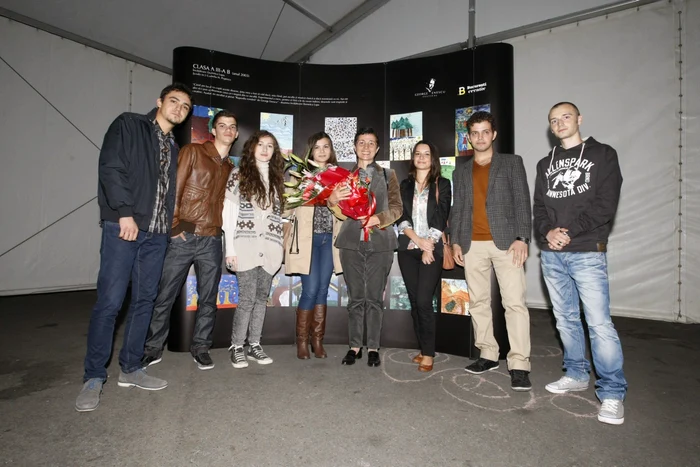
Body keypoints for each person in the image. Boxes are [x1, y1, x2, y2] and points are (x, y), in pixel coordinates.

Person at [75, 83, 193, 412]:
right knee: (110, 303)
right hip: (124, 227)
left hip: (156, 235)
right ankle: (94, 376)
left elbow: (167, 193)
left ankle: (131, 368)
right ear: (159, 102)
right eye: (174, 102)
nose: (179, 109)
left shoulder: (173, 144)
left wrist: (173, 229)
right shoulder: (129, 124)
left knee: (145, 302)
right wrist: (124, 212)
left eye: (185, 107)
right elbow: (111, 168)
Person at [535, 102, 627, 425]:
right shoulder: (545, 164)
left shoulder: (603, 155)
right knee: (565, 320)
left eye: (565, 117)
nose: (559, 123)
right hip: (552, 255)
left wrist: (568, 232)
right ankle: (576, 373)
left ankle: (613, 392)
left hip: (587, 250)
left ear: (579, 120)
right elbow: (539, 210)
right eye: (553, 120)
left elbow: (605, 205)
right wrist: (547, 232)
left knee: (599, 324)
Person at [142, 110, 238, 370]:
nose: (228, 130)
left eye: (232, 126)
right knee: (165, 295)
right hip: (184, 236)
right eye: (222, 125)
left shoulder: (231, 167)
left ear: (236, 133)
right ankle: (152, 348)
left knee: (208, 299)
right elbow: (173, 188)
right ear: (213, 130)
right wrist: (174, 227)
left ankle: (201, 347)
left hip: (212, 240)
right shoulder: (193, 152)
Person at [450, 111, 533, 392]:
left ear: (493, 134)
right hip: (472, 244)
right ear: (469, 137)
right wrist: (456, 242)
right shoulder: (460, 169)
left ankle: (519, 364)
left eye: (485, 132)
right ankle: (487, 353)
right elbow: (458, 208)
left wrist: (522, 238)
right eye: (474, 133)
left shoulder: (511, 163)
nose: (480, 137)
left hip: (507, 243)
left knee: (514, 304)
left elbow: (523, 202)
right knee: (478, 303)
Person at [331, 127, 402, 367]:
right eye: (361, 142)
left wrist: (378, 219)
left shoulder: (388, 175)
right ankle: (354, 346)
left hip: (380, 242)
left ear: (378, 148)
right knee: (355, 298)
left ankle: (372, 346)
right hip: (351, 242)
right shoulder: (343, 175)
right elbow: (339, 210)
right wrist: (332, 200)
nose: (366, 146)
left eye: (371, 142)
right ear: (354, 146)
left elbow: (397, 208)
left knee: (373, 298)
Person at [222, 130, 285, 369]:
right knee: (247, 299)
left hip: (269, 247)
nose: (265, 149)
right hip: (245, 245)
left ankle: (254, 344)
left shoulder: (278, 180)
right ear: (252, 147)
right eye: (261, 144)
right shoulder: (239, 175)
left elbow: (278, 217)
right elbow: (228, 213)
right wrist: (231, 249)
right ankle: (237, 346)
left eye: (270, 146)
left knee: (261, 298)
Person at [284, 132, 346, 359]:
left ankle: (317, 341)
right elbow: (286, 207)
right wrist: (303, 190)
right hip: (306, 240)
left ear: (331, 150)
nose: (322, 151)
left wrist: (337, 200)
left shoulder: (339, 176)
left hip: (329, 240)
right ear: (310, 151)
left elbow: (346, 212)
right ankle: (301, 342)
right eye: (317, 147)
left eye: (326, 146)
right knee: (310, 290)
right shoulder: (299, 174)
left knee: (322, 289)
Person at [396, 141, 451, 372]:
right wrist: (418, 242)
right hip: (408, 250)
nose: (421, 157)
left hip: (432, 250)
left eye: (426, 154)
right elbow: (401, 216)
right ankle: (423, 348)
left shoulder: (443, 184)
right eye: (417, 154)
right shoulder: (405, 185)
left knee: (423, 301)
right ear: (413, 158)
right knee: (414, 303)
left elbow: (441, 215)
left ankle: (429, 353)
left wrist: (428, 246)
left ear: (433, 159)